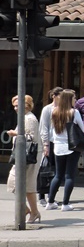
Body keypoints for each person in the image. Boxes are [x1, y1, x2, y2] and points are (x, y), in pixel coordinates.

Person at [44, 89, 84, 211]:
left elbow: (52, 130)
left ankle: (50, 202)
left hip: (58, 146)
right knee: (69, 176)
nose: (75, 100)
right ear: (69, 99)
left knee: (58, 175)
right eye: (74, 98)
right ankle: (65, 204)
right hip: (72, 146)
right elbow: (82, 129)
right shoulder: (74, 112)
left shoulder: (54, 112)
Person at [5, 94, 41, 224]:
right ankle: (26, 209)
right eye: (14, 106)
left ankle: (33, 212)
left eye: (17, 105)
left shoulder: (30, 118)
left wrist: (15, 133)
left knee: (28, 185)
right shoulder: (24, 117)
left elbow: (31, 137)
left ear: (26, 105)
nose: (15, 108)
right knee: (14, 183)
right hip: (21, 155)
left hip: (29, 155)